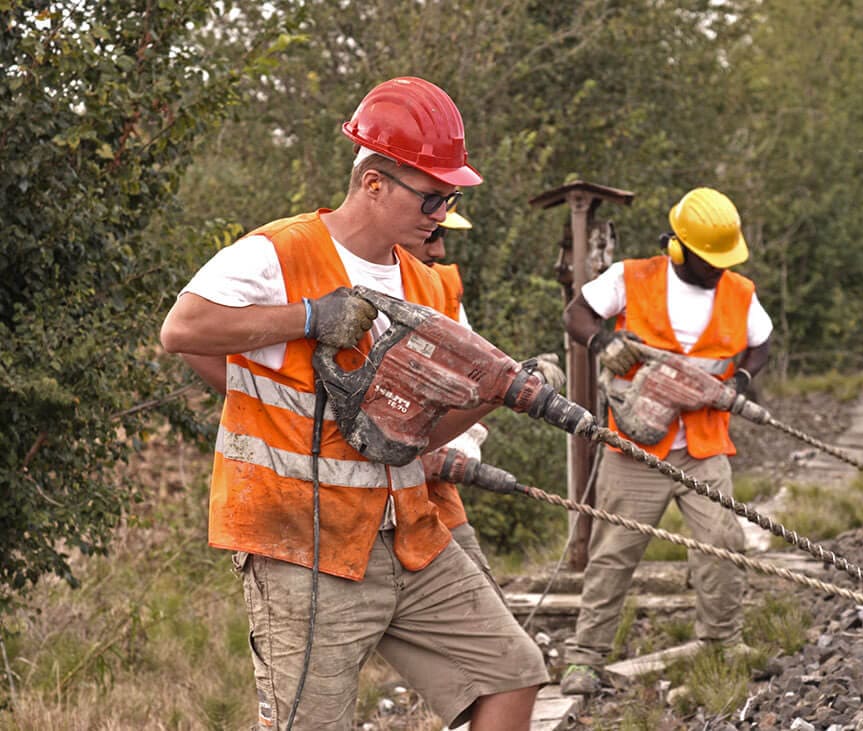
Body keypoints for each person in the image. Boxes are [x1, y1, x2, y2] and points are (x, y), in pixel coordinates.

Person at [159, 77, 548, 730]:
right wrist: (308, 317)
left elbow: (414, 433)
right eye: (432, 197)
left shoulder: (423, 282)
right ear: (374, 182)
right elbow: (183, 329)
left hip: (409, 538)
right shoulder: (278, 252)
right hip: (300, 550)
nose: (441, 213)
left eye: (450, 198)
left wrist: (494, 394)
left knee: (512, 675)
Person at [558, 187, 773, 695]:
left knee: (722, 541)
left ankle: (723, 640)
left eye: (726, 260)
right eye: (710, 261)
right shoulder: (632, 277)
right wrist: (603, 340)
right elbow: (576, 313)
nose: (719, 269)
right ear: (679, 248)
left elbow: (761, 343)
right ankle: (584, 659)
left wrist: (739, 382)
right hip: (636, 448)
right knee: (613, 551)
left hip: (704, 444)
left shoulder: (740, 292)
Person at [402, 209, 565, 583]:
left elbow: (472, 373)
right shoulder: (352, 290)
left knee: (478, 588)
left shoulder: (441, 286)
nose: (441, 250)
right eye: (432, 237)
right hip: (357, 501)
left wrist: (516, 375)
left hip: (431, 493)